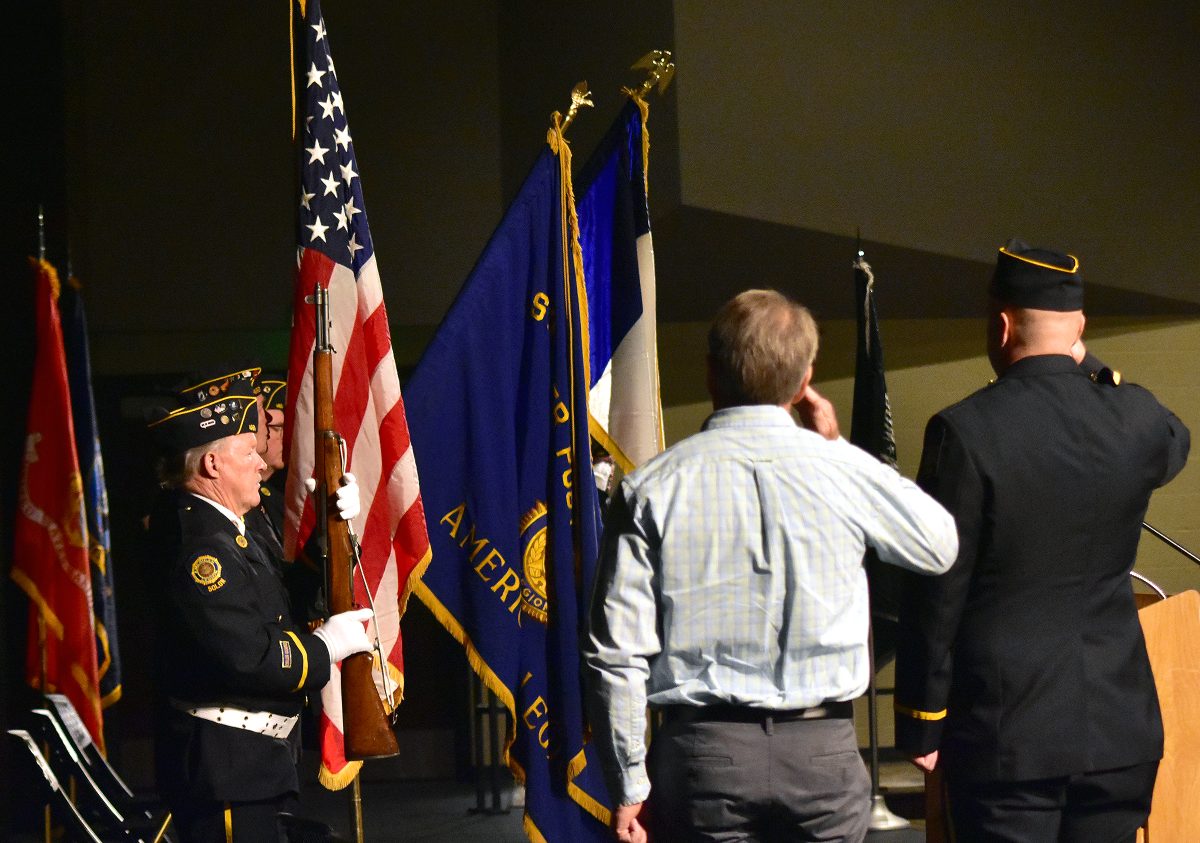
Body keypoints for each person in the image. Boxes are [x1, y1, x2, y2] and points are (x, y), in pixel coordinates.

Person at [583, 289, 959, 843]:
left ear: (710, 373)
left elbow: (617, 654)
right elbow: (938, 544)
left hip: (703, 757)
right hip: (823, 756)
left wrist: (630, 782)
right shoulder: (840, 473)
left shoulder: (649, 489)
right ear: (805, 378)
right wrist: (837, 448)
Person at [894, 240, 1190, 841]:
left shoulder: (964, 432)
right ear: (1079, 327)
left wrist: (922, 721)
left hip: (1009, 739)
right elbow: (1175, 439)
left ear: (1001, 325)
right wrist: (1086, 363)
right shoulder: (1134, 418)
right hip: (1119, 734)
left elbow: (939, 588)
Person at [146, 385, 371, 843]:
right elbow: (249, 655)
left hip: (251, 764)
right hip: (226, 768)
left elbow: (282, 598)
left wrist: (331, 532)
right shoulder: (200, 547)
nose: (261, 462)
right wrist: (324, 647)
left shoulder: (226, 528)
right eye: (248, 451)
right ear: (213, 465)